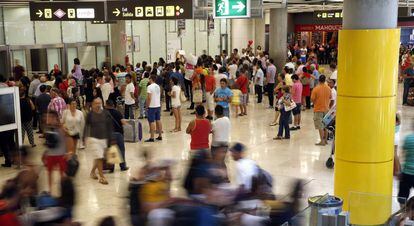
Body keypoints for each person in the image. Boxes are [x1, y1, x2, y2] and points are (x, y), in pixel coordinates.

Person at [84, 98, 113, 185]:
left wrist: (111, 138)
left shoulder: (106, 113)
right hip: (94, 139)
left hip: (104, 138)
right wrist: (84, 137)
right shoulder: (90, 114)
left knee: (99, 157)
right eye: (96, 103)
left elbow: (109, 126)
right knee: (99, 157)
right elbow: (86, 126)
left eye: (99, 103)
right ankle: (101, 177)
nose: (98, 105)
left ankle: (93, 172)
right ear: (92, 104)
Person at [43, 111, 68, 193]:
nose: (48, 119)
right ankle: (50, 190)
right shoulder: (47, 127)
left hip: (61, 154)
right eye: (48, 117)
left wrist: (68, 152)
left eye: (50, 117)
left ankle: (63, 189)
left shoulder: (61, 127)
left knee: (62, 174)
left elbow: (67, 138)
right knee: (49, 173)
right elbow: (47, 142)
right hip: (51, 154)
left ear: (55, 118)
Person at [106, 100, 129, 172]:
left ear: (106, 105)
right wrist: (127, 123)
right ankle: (123, 166)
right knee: (121, 150)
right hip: (119, 134)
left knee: (111, 150)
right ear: (113, 105)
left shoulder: (104, 113)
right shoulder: (117, 112)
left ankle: (111, 168)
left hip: (109, 134)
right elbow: (123, 122)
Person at [311, 75, 332, 146]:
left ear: (319, 80)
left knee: (320, 126)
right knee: (325, 125)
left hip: (318, 109)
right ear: (325, 80)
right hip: (326, 109)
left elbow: (312, 99)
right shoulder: (328, 88)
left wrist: (316, 103)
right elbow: (330, 97)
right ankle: (325, 140)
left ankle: (322, 141)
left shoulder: (316, 89)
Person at [398, 124, 414, 206]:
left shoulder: (408, 138)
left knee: (402, 199)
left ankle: (403, 215)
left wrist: (399, 171)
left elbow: (401, 156)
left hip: (406, 174)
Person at [211, 105, 231, 170]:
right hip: (225, 143)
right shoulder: (227, 119)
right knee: (222, 161)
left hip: (216, 145)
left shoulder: (214, 123)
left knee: (215, 162)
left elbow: (211, 131)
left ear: (215, 113)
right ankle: (225, 177)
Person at [145, 74, 163, 142]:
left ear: (151, 79)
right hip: (158, 105)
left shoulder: (149, 87)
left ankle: (152, 137)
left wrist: (147, 106)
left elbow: (149, 98)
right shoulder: (158, 86)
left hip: (152, 106)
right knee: (158, 120)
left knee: (151, 121)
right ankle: (160, 135)